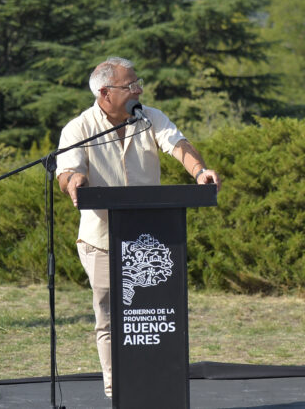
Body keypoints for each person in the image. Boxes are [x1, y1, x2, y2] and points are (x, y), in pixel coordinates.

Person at [56, 57, 220, 399]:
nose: (138, 90)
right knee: (109, 317)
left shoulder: (150, 117)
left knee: (154, 312)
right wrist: (74, 180)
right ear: (105, 93)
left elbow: (178, 144)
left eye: (138, 83)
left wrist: (200, 172)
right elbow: (67, 171)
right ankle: (117, 390)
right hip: (101, 240)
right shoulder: (78, 128)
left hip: (151, 243)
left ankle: (156, 383)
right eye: (130, 86)